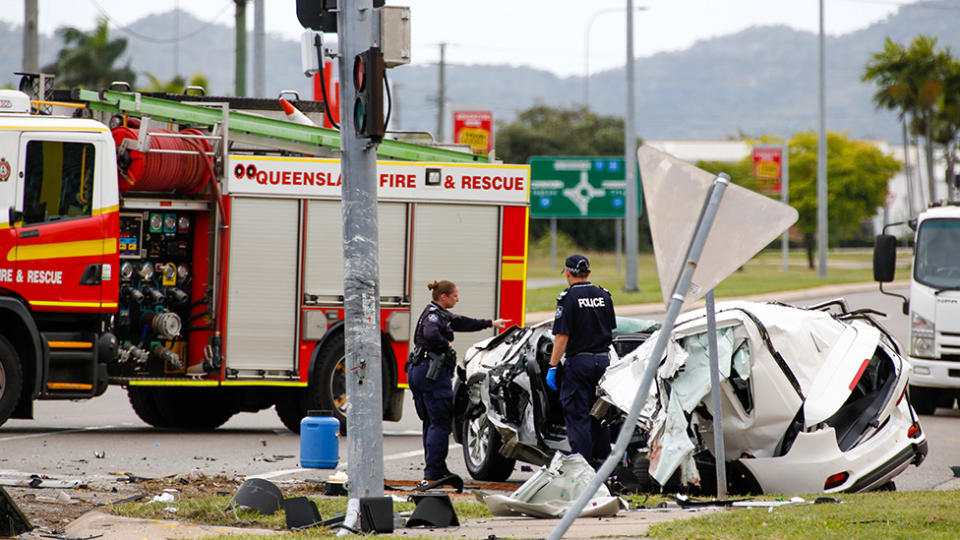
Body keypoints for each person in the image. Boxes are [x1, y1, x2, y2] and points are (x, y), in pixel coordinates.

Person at [408, 280, 509, 482]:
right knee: (440, 422)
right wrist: (445, 343)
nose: (458, 298)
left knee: (431, 422)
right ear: (443, 297)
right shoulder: (434, 315)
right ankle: (435, 471)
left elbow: (462, 322)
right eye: (455, 295)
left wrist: (490, 323)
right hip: (432, 374)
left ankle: (434, 467)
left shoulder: (438, 312)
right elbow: (430, 333)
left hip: (421, 372)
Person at [547, 254, 617, 466]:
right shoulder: (604, 295)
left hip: (579, 364)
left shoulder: (568, 298)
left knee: (578, 418)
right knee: (600, 416)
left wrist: (552, 366)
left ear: (567, 273)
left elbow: (561, 337)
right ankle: (604, 469)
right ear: (588, 272)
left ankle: (582, 468)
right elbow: (611, 328)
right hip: (604, 364)